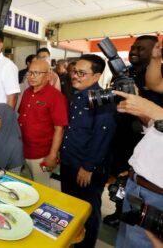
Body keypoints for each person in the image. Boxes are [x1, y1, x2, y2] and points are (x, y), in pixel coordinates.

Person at [104, 35, 163, 227]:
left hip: (143, 136)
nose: (134, 52)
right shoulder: (123, 72)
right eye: (133, 47)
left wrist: (147, 113)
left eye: (141, 49)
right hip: (121, 133)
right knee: (121, 175)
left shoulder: (158, 75)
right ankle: (120, 212)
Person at [60, 54, 117, 248]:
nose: (75, 76)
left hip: (86, 169)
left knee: (88, 212)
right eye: (74, 71)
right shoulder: (78, 95)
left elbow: (103, 137)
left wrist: (88, 167)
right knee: (70, 207)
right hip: (70, 162)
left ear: (96, 76)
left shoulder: (102, 99)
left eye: (81, 73)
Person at [112, 90, 163, 248]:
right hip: (136, 185)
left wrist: (153, 110)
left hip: (156, 197)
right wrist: (141, 110)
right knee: (125, 240)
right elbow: (155, 133)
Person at [18, 60, 68, 185]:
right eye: (30, 73)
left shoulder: (56, 97)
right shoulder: (27, 92)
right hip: (23, 150)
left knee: (41, 188)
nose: (32, 76)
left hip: (42, 155)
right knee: (24, 186)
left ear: (47, 75)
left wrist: (52, 155)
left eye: (37, 73)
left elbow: (59, 129)